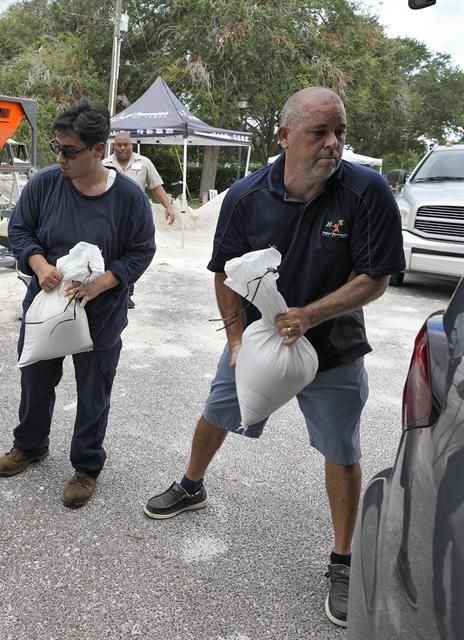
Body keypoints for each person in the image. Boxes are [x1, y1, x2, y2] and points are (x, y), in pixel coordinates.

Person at [142, 87, 405, 628]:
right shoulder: (245, 196)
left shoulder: (366, 191)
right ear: (284, 137)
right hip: (259, 338)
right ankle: (192, 484)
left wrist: (310, 315)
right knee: (218, 409)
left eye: (340, 133)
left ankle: (342, 559)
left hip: (332, 349)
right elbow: (224, 272)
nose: (333, 144)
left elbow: (374, 278)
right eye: (319, 133)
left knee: (341, 447)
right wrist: (237, 341)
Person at [0, 100, 156, 508]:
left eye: (70, 150)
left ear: (98, 150)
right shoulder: (45, 185)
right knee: (35, 379)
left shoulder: (129, 199)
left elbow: (141, 250)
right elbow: (20, 229)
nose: (60, 157)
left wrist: (103, 283)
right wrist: (39, 263)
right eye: (57, 148)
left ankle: (86, 466)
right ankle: (29, 445)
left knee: (93, 389)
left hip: (100, 314)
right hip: (46, 307)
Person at [104, 131, 175, 309]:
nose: (122, 148)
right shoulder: (104, 163)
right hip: (110, 217)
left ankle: (127, 291)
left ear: (132, 145)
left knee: (132, 254)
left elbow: (156, 186)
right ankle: (111, 287)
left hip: (135, 219)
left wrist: (168, 206)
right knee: (112, 252)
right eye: (118, 145)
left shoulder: (144, 163)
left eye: (125, 144)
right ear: (114, 146)